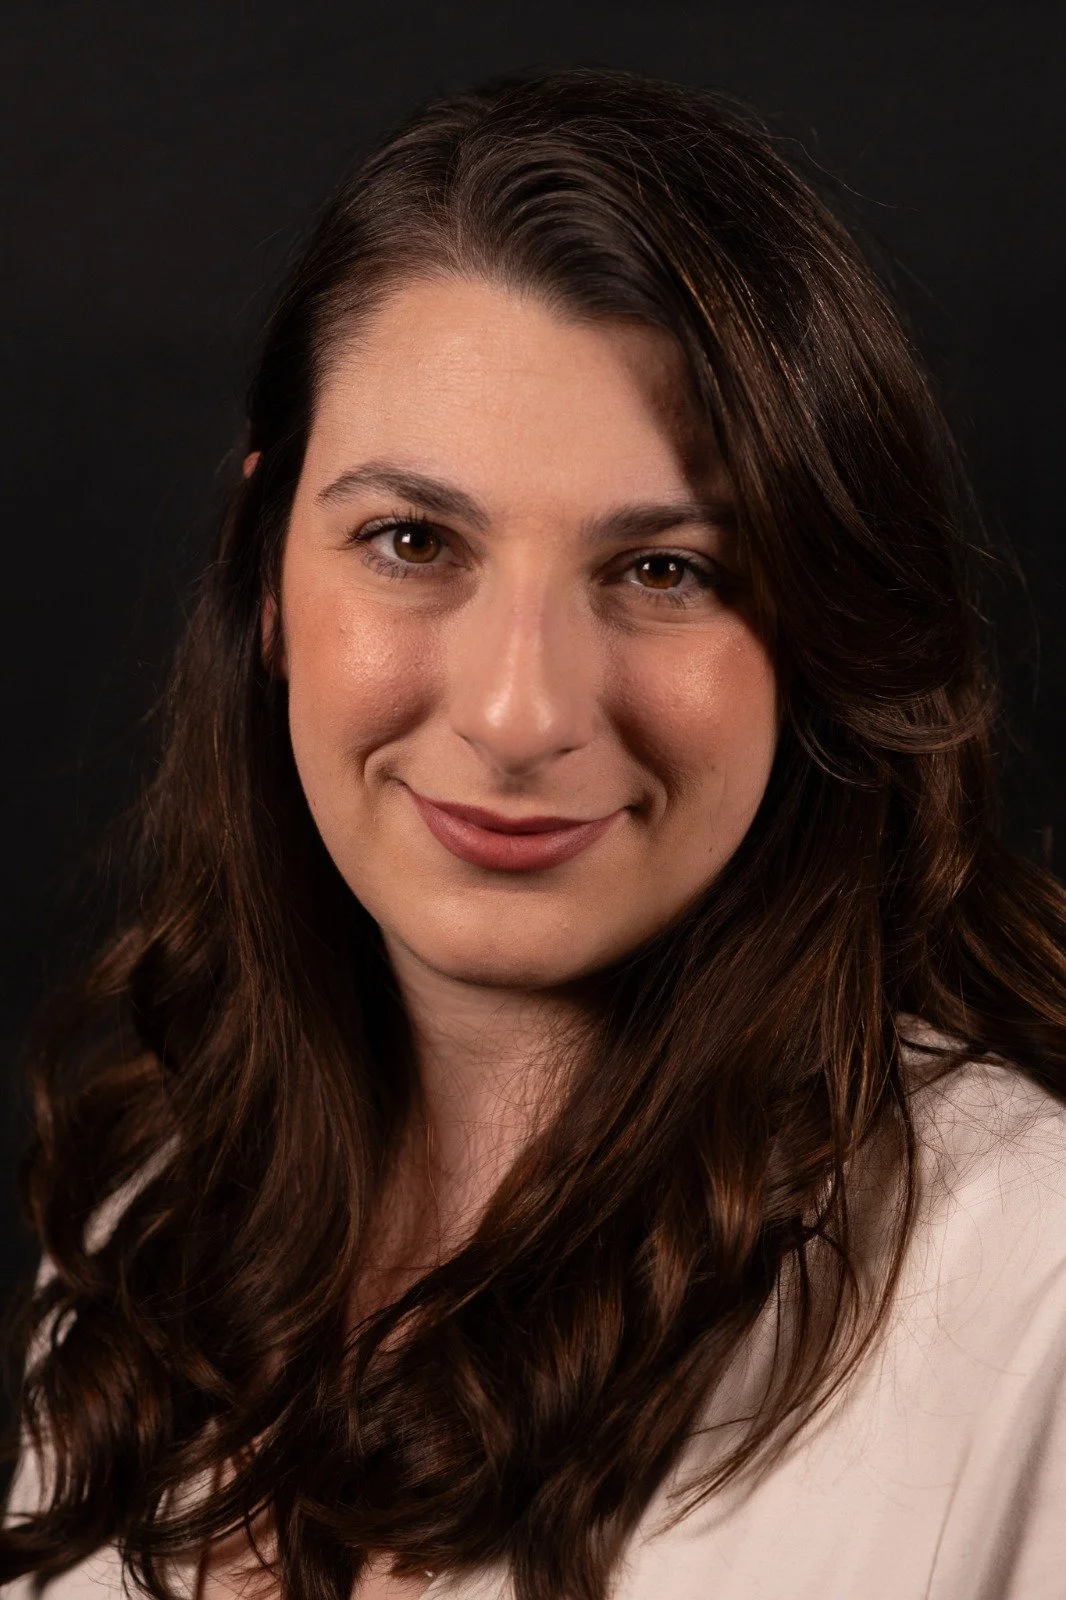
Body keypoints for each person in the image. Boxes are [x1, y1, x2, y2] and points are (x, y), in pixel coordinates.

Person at [2, 64, 1066, 1600]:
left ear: (822, 624)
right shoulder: (160, 1213)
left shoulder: (1028, 1284)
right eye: (411, 541)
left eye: (663, 572)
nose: (517, 711)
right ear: (263, 574)